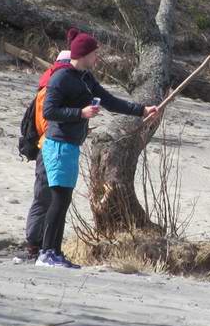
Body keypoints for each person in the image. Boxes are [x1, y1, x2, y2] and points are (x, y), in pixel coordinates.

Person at [37, 29, 159, 268]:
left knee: (65, 199)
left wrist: (142, 110)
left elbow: (110, 101)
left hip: (72, 145)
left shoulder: (86, 78)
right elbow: (49, 111)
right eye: (94, 54)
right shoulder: (60, 78)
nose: (97, 59)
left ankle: (55, 253)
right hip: (58, 145)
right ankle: (46, 253)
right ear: (83, 54)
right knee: (59, 199)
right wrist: (79, 113)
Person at [23, 49, 72, 260]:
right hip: (47, 148)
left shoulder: (54, 85)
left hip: (53, 148)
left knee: (51, 198)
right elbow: (44, 124)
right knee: (43, 197)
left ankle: (44, 245)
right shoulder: (49, 89)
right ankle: (34, 244)